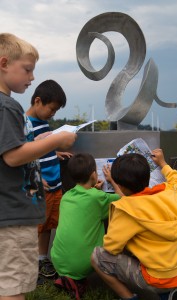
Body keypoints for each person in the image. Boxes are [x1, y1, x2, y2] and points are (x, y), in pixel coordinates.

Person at [0, 33, 77, 300]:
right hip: (12, 215)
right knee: (13, 289)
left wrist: (41, 139)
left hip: (6, 212)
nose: (32, 78)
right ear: (4, 63)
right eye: (28, 70)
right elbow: (12, 156)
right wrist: (57, 138)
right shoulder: (7, 107)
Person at [91, 149, 177, 300]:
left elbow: (112, 247)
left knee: (97, 256)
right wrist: (163, 163)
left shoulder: (125, 211)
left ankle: (130, 298)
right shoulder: (171, 194)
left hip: (156, 279)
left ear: (120, 185)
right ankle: (167, 295)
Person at [50, 153, 123, 300]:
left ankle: (70, 279)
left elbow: (86, 202)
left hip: (57, 259)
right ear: (93, 174)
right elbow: (122, 198)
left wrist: (94, 189)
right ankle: (76, 280)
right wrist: (112, 180)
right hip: (85, 262)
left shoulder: (67, 196)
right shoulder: (97, 198)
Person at [26, 79, 73, 281]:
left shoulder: (44, 123)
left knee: (48, 226)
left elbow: (42, 148)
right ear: (38, 101)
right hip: (41, 185)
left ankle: (42, 258)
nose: (53, 114)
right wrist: (36, 178)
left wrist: (56, 152)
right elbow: (23, 155)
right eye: (52, 109)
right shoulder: (24, 124)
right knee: (36, 226)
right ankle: (29, 263)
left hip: (56, 184)